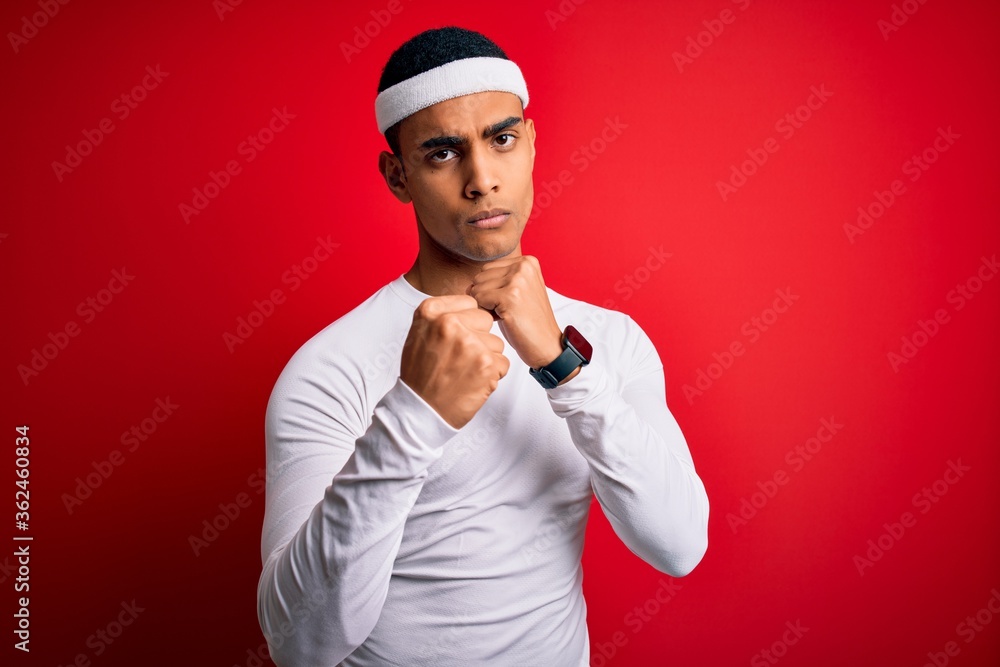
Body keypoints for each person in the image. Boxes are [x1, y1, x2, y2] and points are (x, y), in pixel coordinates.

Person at [256, 26, 709, 667]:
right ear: (397, 174)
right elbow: (301, 646)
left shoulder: (610, 341)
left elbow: (679, 544)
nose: (481, 180)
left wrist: (562, 366)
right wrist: (412, 415)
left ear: (529, 143)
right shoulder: (329, 369)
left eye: (501, 140)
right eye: (443, 154)